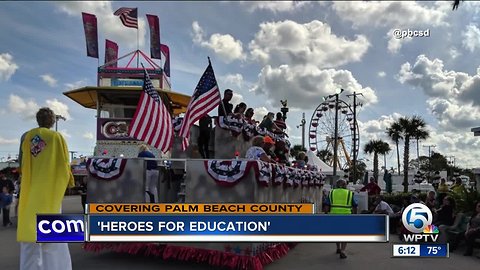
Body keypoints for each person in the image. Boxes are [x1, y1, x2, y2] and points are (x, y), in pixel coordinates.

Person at [18, 107, 74, 270]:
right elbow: (64, 164)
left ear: (37, 120)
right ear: (52, 121)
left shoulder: (27, 137)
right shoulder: (56, 137)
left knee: (30, 234)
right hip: (51, 191)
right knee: (52, 235)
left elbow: (22, 163)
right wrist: (70, 182)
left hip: (31, 189)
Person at [324, 179, 357, 259]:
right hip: (346, 216)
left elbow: (327, 205)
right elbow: (355, 205)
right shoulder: (349, 193)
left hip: (334, 215)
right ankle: (343, 250)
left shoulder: (332, 192)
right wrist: (355, 216)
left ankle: (338, 248)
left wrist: (326, 214)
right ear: (345, 185)